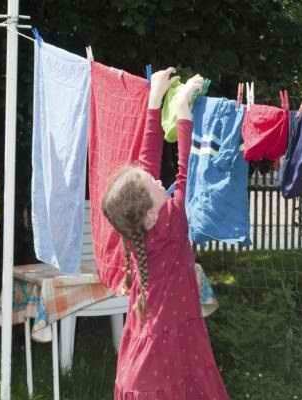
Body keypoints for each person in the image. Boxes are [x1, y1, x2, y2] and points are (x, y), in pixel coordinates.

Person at [102, 68, 229, 399]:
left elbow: (147, 164)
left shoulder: (136, 230)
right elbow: (188, 174)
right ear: (150, 212)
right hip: (166, 356)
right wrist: (184, 109)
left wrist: (155, 103)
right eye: (153, 186)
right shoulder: (171, 221)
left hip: (147, 358)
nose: (158, 180)